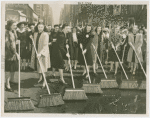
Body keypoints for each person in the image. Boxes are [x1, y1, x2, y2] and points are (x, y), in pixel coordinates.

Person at [30, 22, 50, 88]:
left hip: (43, 52)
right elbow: (34, 42)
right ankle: (40, 78)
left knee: (43, 67)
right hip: (37, 51)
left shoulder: (45, 34)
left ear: (44, 27)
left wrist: (40, 53)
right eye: (39, 27)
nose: (40, 28)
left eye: (41, 27)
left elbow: (45, 45)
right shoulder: (35, 34)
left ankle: (44, 81)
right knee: (39, 66)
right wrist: (31, 38)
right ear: (37, 27)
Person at [5, 20, 19, 92]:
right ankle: (7, 85)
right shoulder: (6, 33)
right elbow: (8, 45)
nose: (15, 27)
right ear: (10, 25)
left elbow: (14, 41)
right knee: (8, 69)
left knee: (13, 68)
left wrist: (16, 40)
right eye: (14, 25)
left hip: (13, 52)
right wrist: (15, 53)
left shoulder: (13, 32)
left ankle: (12, 81)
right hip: (9, 54)